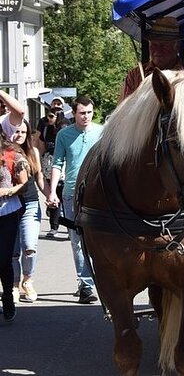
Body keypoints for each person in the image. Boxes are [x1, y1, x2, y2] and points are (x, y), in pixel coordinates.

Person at [47, 97, 103, 304]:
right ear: (74, 113)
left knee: (101, 239)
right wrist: (52, 192)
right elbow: (57, 164)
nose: (86, 116)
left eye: (89, 112)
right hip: (72, 194)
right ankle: (86, 286)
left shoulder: (102, 132)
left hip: (99, 194)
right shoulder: (64, 134)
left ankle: (104, 279)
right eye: (82, 113)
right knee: (78, 242)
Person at [119, 16, 184, 102]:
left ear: (177, 47)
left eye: (163, 45)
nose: (157, 50)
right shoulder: (135, 76)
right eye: (153, 45)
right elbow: (123, 111)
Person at [11, 120, 48, 303]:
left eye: (23, 132)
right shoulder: (5, 153)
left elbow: (39, 177)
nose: (19, 135)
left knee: (29, 247)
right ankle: (14, 285)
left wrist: (50, 194)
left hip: (31, 204)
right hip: (9, 206)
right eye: (16, 131)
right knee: (13, 251)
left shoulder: (32, 152)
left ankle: (28, 280)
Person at [0, 135, 28, 322]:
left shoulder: (13, 155)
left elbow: (25, 186)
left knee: (2, 259)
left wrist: (7, 191)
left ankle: (8, 295)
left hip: (6, 212)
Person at [36, 97, 69, 237]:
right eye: (50, 114)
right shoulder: (45, 125)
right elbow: (42, 144)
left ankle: (69, 228)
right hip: (49, 163)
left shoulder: (66, 126)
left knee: (64, 195)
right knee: (52, 194)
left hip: (64, 164)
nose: (50, 118)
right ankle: (53, 227)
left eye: (53, 115)